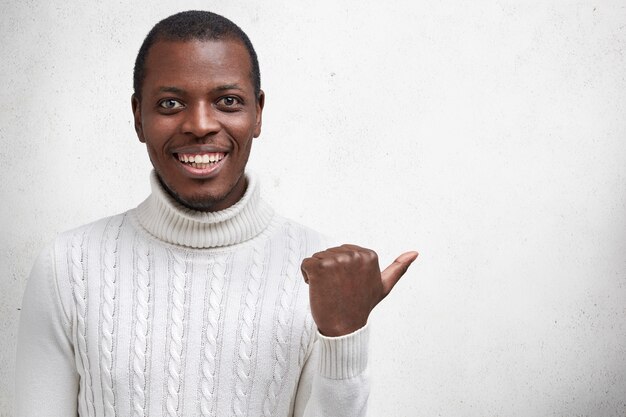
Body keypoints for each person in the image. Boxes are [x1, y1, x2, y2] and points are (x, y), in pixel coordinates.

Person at [15, 10, 418, 417]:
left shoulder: (323, 271)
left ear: (257, 113)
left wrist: (343, 337)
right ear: (138, 117)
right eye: (170, 103)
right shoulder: (70, 265)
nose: (201, 125)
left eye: (228, 101)